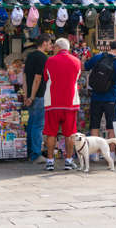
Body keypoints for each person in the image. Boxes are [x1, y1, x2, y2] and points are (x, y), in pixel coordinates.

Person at [83, 40, 116, 161]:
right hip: (110, 99)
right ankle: (111, 154)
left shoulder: (98, 57)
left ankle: (94, 154)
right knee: (111, 127)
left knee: (94, 126)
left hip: (95, 98)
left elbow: (85, 66)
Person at [42, 38, 81, 171]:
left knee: (51, 133)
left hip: (52, 102)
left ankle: (50, 161)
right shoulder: (77, 61)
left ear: (58, 47)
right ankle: (69, 161)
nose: (53, 48)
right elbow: (76, 79)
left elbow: (46, 78)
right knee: (69, 134)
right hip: (70, 102)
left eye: (54, 47)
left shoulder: (50, 61)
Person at [23, 33, 52, 164]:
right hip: (39, 96)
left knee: (31, 124)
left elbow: (24, 77)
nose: (51, 45)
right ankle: (36, 154)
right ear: (44, 43)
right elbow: (37, 78)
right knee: (38, 126)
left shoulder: (29, 56)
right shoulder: (42, 58)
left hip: (30, 95)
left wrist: (26, 96)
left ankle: (30, 153)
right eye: (50, 43)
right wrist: (33, 96)